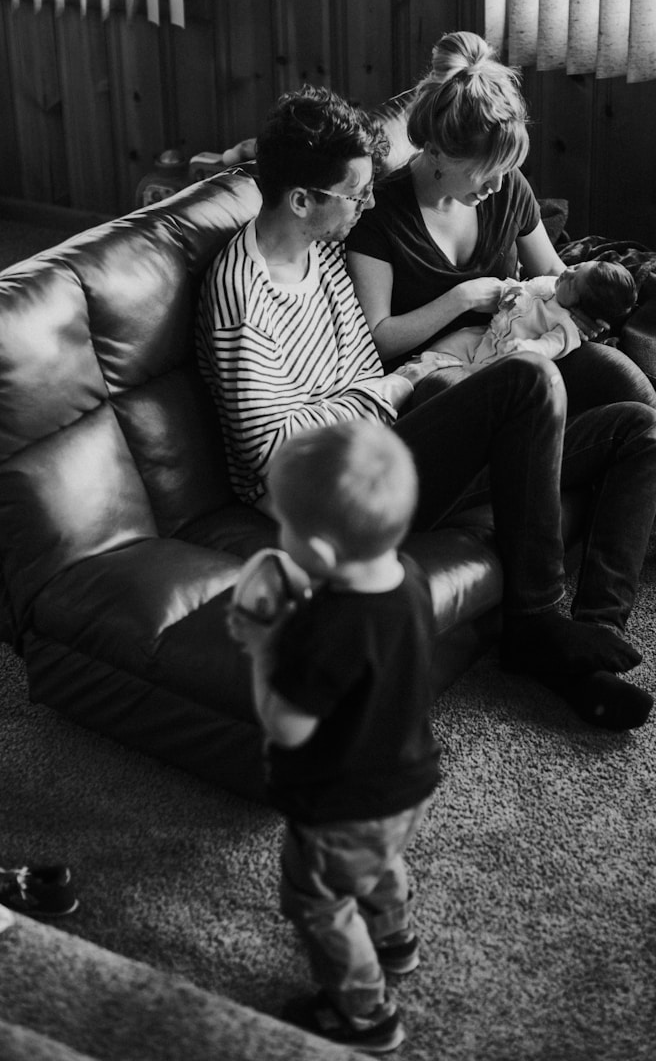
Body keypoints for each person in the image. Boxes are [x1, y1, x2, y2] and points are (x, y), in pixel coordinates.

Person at [198, 82, 656, 739]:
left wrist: (391, 388)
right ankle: (534, 626)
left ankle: (590, 644)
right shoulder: (241, 301)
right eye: (356, 193)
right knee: (527, 383)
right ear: (302, 199)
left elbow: (363, 372)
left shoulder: (324, 248)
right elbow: (269, 459)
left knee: (640, 429)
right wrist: (393, 389)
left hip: (388, 451)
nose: (368, 203)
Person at [346, 30, 656, 596]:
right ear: (439, 155)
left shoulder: (506, 190)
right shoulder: (381, 217)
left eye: (507, 171)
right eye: (488, 172)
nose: (499, 185)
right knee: (469, 383)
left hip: (522, 341)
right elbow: (379, 339)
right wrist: (459, 299)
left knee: (617, 372)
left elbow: (550, 274)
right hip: (449, 376)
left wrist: (578, 309)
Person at [227, 421, 439, 1054]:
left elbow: (287, 727)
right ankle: (395, 936)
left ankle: (365, 1011)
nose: (278, 535)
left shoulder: (321, 631)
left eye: (283, 525)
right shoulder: (409, 578)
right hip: (408, 780)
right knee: (378, 860)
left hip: (338, 802)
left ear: (316, 550)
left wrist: (265, 649)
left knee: (317, 901)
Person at [424, 259, 637, 371]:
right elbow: (525, 288)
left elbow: (547, 347)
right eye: (577, 266)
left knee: (454, 372)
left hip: (500, 361)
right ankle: (403, 378)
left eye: (573, 282)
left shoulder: (566, 328)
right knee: (442, 349)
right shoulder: (551, 285)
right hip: (487, 336)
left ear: (581, 309)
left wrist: (526, 349)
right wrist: (508, 291)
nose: (567, 271)